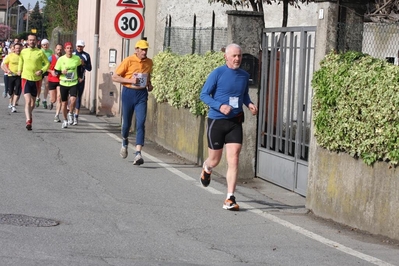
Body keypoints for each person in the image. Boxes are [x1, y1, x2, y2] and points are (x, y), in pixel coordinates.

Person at [199, 43, 258, 211]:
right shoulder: (217, 73)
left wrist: (250, 104)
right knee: (215, 160)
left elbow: (244, 94)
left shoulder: (244, 75)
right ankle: (207, 168)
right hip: (217, 121)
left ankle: (230, 198)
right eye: (234, 56)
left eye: (239, 56)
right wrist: (219, 106)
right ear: (226, 56)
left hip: (235, 122)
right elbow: (204, 94)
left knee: (234, 159)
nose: (237, 59)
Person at [112, 39, 153, 165]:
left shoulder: (149, 62)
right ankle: (124, 140)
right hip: (128, 93)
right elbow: (115, 76)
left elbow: (148, 76)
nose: (144, 52)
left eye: (146, 50)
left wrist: (149, 84)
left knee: (140, 123)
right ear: (136, 50)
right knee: (126, 125)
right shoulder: (128, 60)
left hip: (141, 94)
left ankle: (138, 153)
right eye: (142, 50)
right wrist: (130, 81)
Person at [17, 34, 50, 131]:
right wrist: (19, 70)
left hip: (36, 80)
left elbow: (47, 63)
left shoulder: (40, 52)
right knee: (27, 101)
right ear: (27, 41)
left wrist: (42, 70)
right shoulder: (24, 51)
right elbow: (21, 61)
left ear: (36, 41)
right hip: (26, 78)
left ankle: (29, 114)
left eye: (33, 40)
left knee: (32, 103)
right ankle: (28, 121)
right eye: (30, 40)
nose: (32, 42)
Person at [51, 42, 83, 129]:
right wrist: (62, 72)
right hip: (63, 83)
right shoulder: (61, 59)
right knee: (64, 103)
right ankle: (65, 120)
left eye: (71, 48)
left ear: (73, 49)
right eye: (67, 48)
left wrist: (80, 76)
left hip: (73, 82)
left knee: (73, 99)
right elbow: (56, 72)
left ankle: (70, 113)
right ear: (65, 50)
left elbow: (80, 68)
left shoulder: (76, 58)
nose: (69, 49)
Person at [72, 40, 92, 125]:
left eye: (81, 46)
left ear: (83, 47)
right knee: (72, 97)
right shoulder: (72, 54)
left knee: (78, 97)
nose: (79, 48)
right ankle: (70, 114)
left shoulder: (86, 55)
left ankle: (76, 116)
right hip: (72, 78)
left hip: (81, 78)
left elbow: (89, 68)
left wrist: (83, 64)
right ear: (76, 46)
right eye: (78, 46)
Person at [2, 43, 22, 113]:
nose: (18, 49)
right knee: (10, 91)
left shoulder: (22, 56)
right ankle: (10, 100)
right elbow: (3, 64)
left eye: (19, 48)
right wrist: (7, 70)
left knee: (17, 90)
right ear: (14, 49)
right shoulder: (10, 56)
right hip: (11, 76)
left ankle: (13, 105)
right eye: (17, 48)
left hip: (19, 76)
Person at [47, 44, 63, 122]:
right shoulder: (50, 58)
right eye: (58, 49)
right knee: (53, 99)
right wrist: (51, 71)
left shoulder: (64, 58)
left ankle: (57, 115)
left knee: (59, 98)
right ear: (55, 49)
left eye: (60, 50)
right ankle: (51, 102)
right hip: (52, 80)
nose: (59, 51)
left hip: (61, 80)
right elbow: (45, 67)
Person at [38, 39, 54, 109]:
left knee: (47, 85)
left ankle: (44, 99)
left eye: (46, 44)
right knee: (39, 85)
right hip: (40, 69)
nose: (45, 46)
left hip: (47, 70)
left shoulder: (50, 51)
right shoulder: (39, 51)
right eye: (44, 45)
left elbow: (53, 59)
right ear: (41, 45)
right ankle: (38, 98)